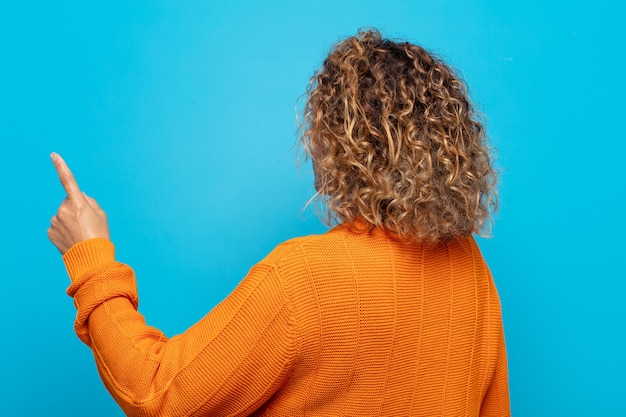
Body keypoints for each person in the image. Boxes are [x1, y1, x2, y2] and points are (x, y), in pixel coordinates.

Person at [49, 29, 510, 417]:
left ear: (338, 143)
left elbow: (158, 393)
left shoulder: (304, 279)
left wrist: (89, 255)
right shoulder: (470, 265)